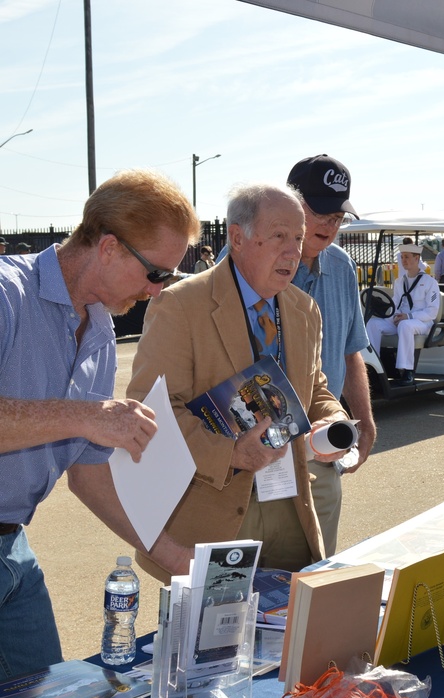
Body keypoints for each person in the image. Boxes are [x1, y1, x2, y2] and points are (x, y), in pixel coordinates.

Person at [0, 169, 200, 679]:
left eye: (169, 279)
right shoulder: (6, 295)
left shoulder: (101, 331)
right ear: (108, 247)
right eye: (156, 274)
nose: (158, 292)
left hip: (11, 546)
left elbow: (88, 473)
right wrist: (87, 416)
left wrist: (173, 556)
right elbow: (85, 426)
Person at [127, 182, 350, 580]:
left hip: (291, 502)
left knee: (291, 630)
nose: (293, 251)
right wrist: (230, 454)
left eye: (298, 238)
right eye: (279, 235)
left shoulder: (304, 310)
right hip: (214, 507)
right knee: (209, 639)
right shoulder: (179, 305)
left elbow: (315, 387)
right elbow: (151, 411)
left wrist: (333, 420)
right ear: (238, 238)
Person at [286, 154, 377, 556]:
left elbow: (351, 352)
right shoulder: (241, 265)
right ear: (288, 205)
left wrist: (367, 422)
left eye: (338, 215)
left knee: (318, 574)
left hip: (322, 447)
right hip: (256, 454)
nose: (330, 224)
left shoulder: (342, 268)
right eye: (320, 211)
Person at [365, 241, 441, 387]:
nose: (403, 260)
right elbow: (396, 302)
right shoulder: (400, 281)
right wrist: (395, 315)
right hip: (402, 320)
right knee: (373, 323)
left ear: (417, 259)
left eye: (407, 257)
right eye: (402, 257)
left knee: (405, 326)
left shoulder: (430, 282)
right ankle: (374, 367)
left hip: (422, 322)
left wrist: (408, 317)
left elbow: (432, 311)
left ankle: (407, 370)